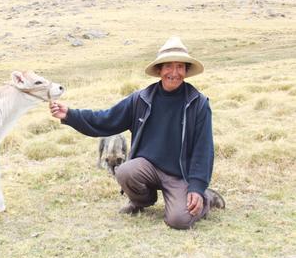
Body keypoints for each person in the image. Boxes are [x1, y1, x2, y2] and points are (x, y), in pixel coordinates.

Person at [50, 36, 225, 230]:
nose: (174, 73)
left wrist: (197, 188)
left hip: (179, 174)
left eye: (180, 67)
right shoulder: (140, 99)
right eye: (168, 66)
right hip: (147, 167)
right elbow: (106, 119)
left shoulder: (198, 103)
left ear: (186, 71)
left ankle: (207, 198)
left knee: (178, 221)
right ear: (159, 70)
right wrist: (70, 115)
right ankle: (142, 202)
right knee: (124, 171)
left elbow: (204, 150)